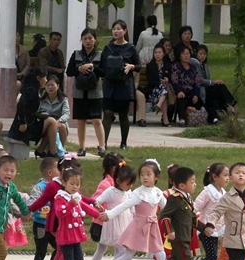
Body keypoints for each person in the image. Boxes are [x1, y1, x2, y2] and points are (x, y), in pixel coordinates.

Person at [96, 159, 166, 260]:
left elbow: (167, 207)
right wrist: (109, 214)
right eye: (142, 174)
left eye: (148, 174)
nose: (144, 177)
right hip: (139, 227)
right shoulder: (138, 193)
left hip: (152, 227)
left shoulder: (158, 193)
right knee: (127, 255)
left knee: (161, 255)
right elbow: (124, 205)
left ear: (156, 176)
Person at [153, 166, 218, 260]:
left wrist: (204, 228)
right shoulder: (175, 199)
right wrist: (169, 231)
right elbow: (164, 215)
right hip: (179, 238)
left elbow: (192, 219)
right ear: (182, 185)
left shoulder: (186, 198)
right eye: (192, 182)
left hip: (185, 237)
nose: (195, 184)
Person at [85, 155, 140, 260]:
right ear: (118, 180)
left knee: (119, 251)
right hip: (114, 225)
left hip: (125, 224)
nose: (130, 186)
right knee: (122, 252)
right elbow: (97, 200)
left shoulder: (127, 192)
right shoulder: (110, 190)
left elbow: (131, 205)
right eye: (128, 183)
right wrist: (98, 207)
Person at [53, 167, 102, 260]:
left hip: (75, 234)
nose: (75, 187)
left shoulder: (76, 196)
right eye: (72, 184)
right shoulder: (60, 197)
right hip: (65, 235)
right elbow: (59, 212)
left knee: (79, 259)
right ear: (64, 183)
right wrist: (71, 204)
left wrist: (99, 214)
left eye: (78, 184)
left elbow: (86, 207)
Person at [101, 20, 141, 150]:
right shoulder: (108, 48)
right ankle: (103, 143)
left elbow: (139, 66)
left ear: (125, 31)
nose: (116, 31)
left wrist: (132, 66)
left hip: (124, 86)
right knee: (107, 113)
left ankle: (123, 143)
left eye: (118, 29)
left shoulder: (131, 48)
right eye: (114, 29)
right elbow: (101, 67)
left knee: (123, 115)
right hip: (110, 85)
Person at [66, 28, 106, 157]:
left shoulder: (100, 55)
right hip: (79, 92)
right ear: (81, 41)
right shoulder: (76, 54)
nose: (88, 41)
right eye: (85, 39)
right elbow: (69, 71)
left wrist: (92, 66)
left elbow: (104, 72)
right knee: (81, 120)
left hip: (95, 92)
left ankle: (101, 146)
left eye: (90, 38)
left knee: (96, 120)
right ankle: (82, 147)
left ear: (95, 40)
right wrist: (79, 69)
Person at [193, 163, 229, 260]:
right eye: (225, 175)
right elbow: (195, 208)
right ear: (214, 176)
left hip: (217, 230)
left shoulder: (224, 193)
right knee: (212, 256)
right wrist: (200, 226)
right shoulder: (207, 192)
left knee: (212, 256)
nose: (228, 178)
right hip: (206, 230)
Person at [27, 157, 60, 260]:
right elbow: (32, 203)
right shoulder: (40, 187)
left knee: (59, 247)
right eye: (58, 169)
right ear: (50, 172)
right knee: (41, 250)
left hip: (52, 226)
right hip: (41, 225)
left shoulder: (58, 187)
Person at [195, 45, 237, 123]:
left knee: (219, 88)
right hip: (200, 89)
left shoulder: (205, 65)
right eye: (200, 53)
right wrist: (213, 82)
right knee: (219, 87)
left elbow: (207, 78)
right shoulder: (195, 64)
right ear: (196, 54)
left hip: (207, 88)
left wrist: (213, 83)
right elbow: (200, 80)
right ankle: (230, 106)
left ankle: (216, 117)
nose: (202, 56)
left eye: (204, 54)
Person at [7, 67, 48, 146]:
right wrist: (22, 122)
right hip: (24, 127)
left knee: (52, 122)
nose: (46, 80)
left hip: (30, 123)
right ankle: (49, 150)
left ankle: (46, 150)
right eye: (45, 78)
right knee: (51, 122)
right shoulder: (31, 91)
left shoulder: (35, 90)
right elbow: (21, 104)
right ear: (38, 78)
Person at [34, 75, 69, 158]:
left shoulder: (63, 99)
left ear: (58, 86)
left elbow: (66, 114)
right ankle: (49, 151)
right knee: (51, 124)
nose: (50, 87)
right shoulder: (42, 100)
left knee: (62, 126)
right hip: (46, 123)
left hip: (59, 123)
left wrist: (60, 121)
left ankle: (60, 150)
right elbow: (37, 113)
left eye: (52, 85)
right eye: (48, 85)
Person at [171, 46, 202, 127]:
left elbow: (197, 83)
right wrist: (179, 91)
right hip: (181, 90)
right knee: (181, 98)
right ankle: (182, 119)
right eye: (183, 54)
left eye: (187, 54)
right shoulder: (176, 66)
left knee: (200, 101)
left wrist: (196, 94)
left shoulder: (193, 67)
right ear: (180, 56)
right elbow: (175, 81)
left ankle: (200, 119)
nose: (186, 56)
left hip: (191, 91)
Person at [144, 45, 172, 127]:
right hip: (153, 90)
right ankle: (165, 119)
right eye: (155, 53)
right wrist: (159, 82)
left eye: (159, 52)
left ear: (163, 54)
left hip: (163, 92)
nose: (157, 55)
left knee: (163, 92)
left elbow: (171, 77)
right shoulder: (150, 66)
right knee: (163, 91)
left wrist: (167, 80)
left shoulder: (167, 65)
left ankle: (159, 106)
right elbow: (150, 81)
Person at [15, 32, 32, 96]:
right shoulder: (7, 50)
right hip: (11, 75)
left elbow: (28, 64)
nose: (16, 38)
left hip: (22, 75)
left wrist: (22, 73)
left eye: (18, 36)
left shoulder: (24, 50)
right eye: (14, 36)